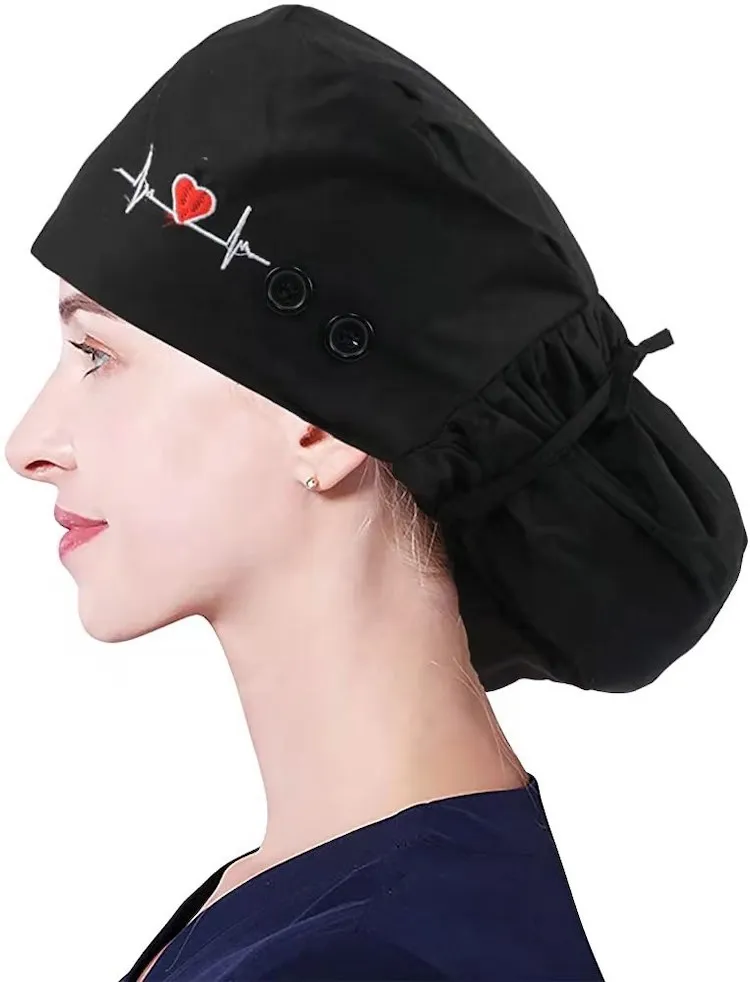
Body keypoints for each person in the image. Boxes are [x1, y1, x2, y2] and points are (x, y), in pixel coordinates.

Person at [7, 4, 745, 980]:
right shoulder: (320, 895)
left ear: (319, 421)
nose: (29, 446)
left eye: (97, 354)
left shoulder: (366, 957)